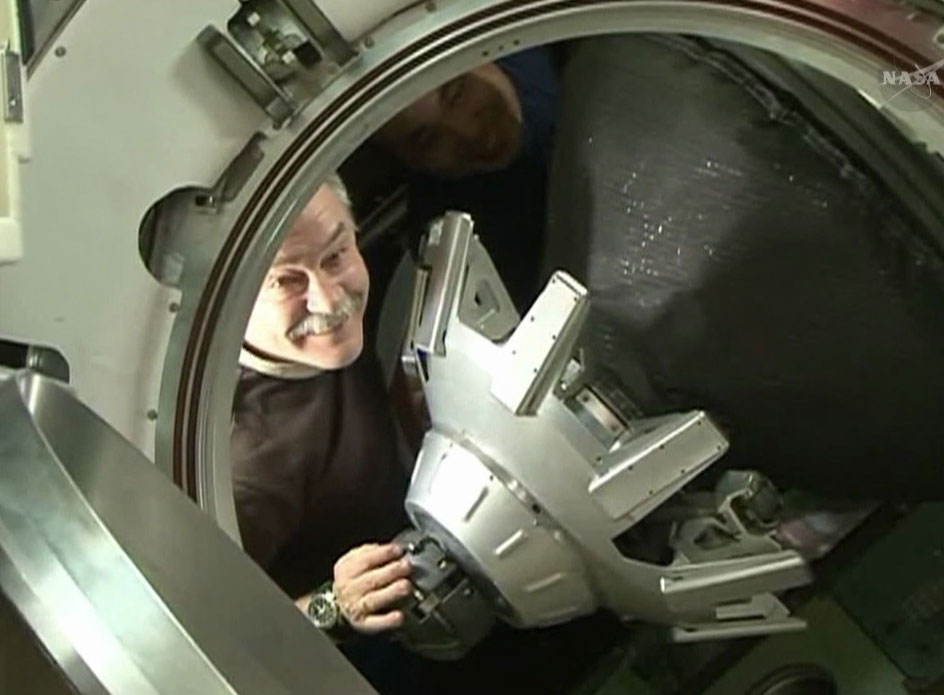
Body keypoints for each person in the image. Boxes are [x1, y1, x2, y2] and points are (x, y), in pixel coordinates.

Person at [231, 173, 624, 694]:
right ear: (232, 297)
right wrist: (330, 607)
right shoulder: (248, 461)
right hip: (406, 649)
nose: (329, 301)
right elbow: (219, 638)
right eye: (286, 281)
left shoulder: (399, 270)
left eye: (335, 256)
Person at [374, 48, 560, 309]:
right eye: (427, 139)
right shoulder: (452, 245)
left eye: (455, 93)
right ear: (409, 161)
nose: (465, 130)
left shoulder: (553, 34)